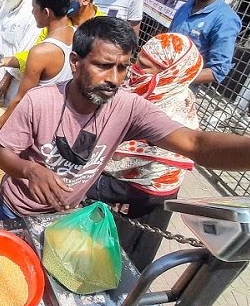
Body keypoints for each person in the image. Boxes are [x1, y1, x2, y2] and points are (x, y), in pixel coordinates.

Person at [0, 16, 250, 222]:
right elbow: (3, 155)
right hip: (13, 210)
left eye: (123, 68)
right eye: (103, 66)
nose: (114, 79)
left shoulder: (127, 107)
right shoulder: (39, 101)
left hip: (61, 217)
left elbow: (194, 143)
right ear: (75, 63)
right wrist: (30, 170)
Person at [85, 33, 203, 270]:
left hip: (140, 202)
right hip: (116, 191)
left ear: (170, 74)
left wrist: (88, 180)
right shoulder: (147, 91)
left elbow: (145, 172)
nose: (135, 69)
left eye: (145, 67)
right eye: (137, 61)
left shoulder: (174, 112)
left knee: (117, 263)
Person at [0, 0, 75, 141]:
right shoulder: (76, 35)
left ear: (46, 12)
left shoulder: (41, 52)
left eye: (34, 8)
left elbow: (22, 99)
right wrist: (4, 60)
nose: (32, 12)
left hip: (41, 128)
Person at [169, 0, 242, 87]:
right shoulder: (186, 6)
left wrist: (173, 78)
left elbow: (217, 70)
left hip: (180, 91)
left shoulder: (226, 20)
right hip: (157, 81)